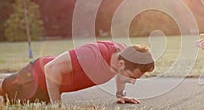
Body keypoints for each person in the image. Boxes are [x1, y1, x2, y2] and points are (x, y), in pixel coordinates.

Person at [0, 41, 155, 105]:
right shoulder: (92, 55)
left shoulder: (124, 55)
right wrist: (57, 106)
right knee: (4, 91)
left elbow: (121, 73)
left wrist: (120, 94)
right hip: (35, 77)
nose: (133, 81)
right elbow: (50, 69)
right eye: (132, 77)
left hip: (51, 89)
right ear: (121, 64)